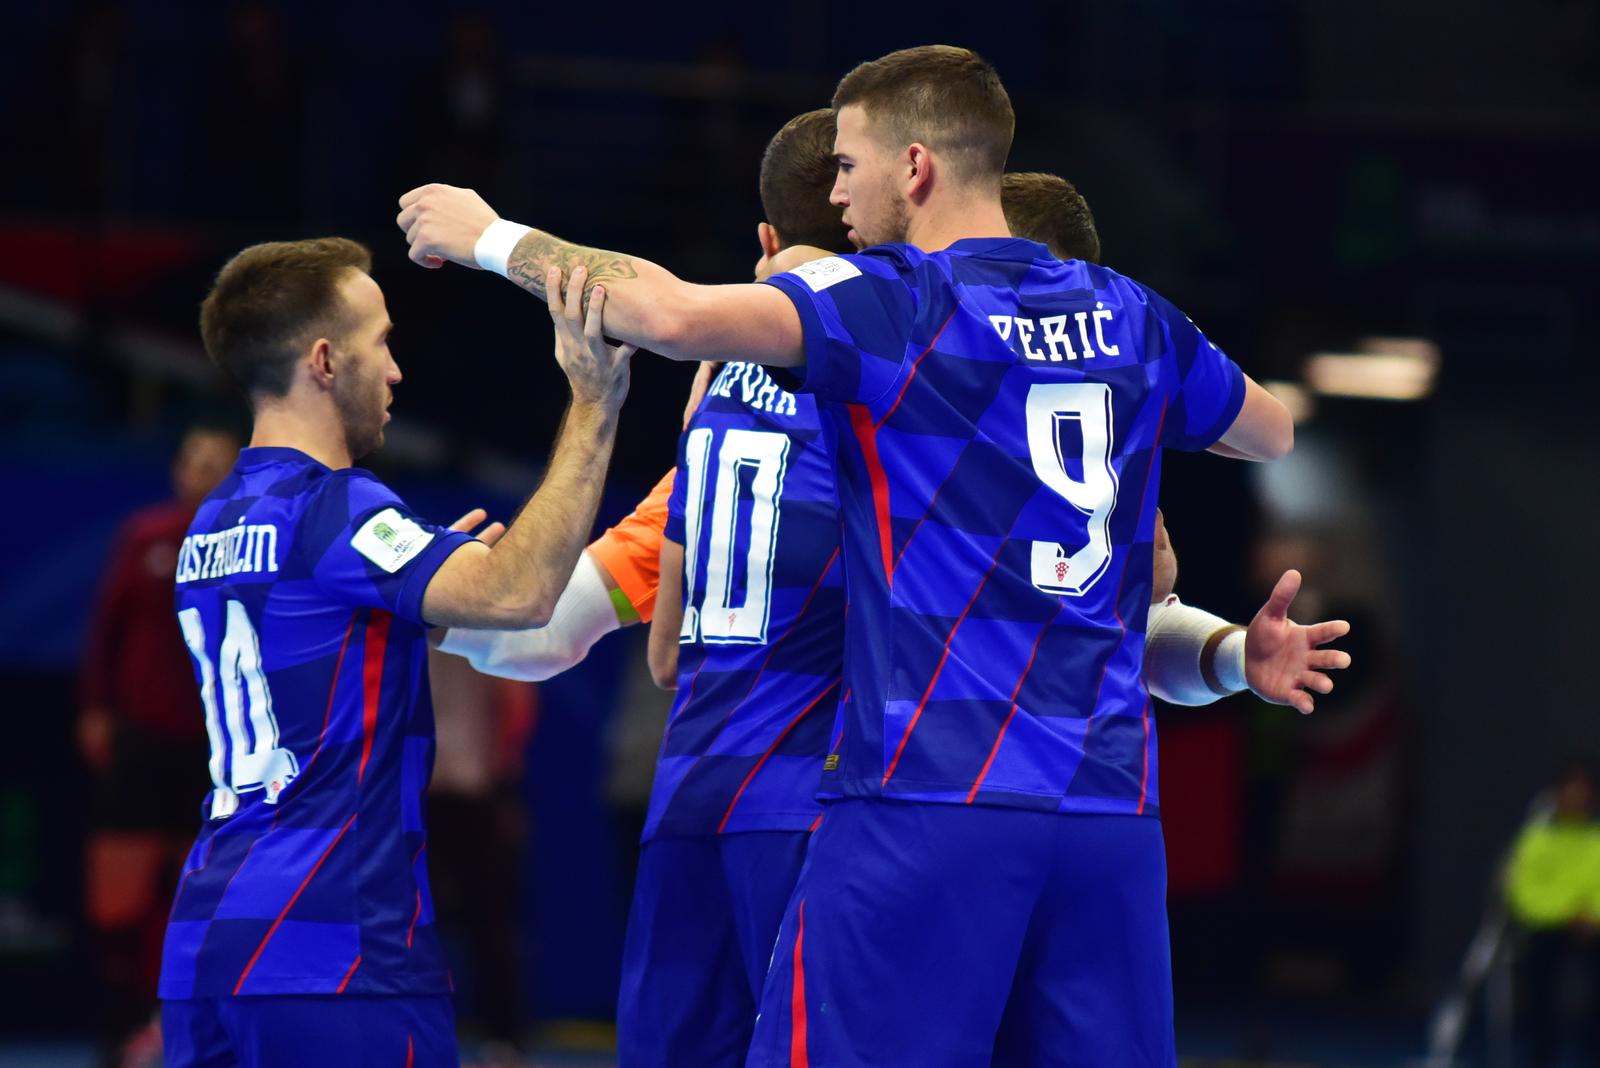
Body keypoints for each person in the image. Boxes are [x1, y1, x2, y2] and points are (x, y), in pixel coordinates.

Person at [409, 84, 1346, 1064]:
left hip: (864, 797)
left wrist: (488, 236)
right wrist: (1214, 623)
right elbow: (1261, 442)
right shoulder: (1127, 319)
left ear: (912, 170)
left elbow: (662, 328)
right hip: (1083, 806)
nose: (844, 191)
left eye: (852, 165)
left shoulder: (874, 317)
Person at [157, 237, 631, 1068]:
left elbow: (322, 610)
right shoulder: (334, 508)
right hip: (334, 945)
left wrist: (417, 566)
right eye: (381, 341)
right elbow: (517, 594)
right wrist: (593, 405)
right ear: (325, 360)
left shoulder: (214, 520)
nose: (398, 370)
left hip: (207, 947)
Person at [78, 425, 239, 1060]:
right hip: (142, 742)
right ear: (177, 469)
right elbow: (105, 631)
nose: (202, 472)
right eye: (193, 459)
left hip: (214, 750)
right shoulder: (143, 538)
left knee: (197, 901)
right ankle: (117, 1036)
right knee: (117, 901)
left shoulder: (244, 546)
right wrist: (95, 708)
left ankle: (181, 1032)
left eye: (216, 464)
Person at [1506, 759, 1600, 1067]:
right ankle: (1540, 1052)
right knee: (1539, 963)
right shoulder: (1536, 837)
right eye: (1569, 791)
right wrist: (1567, 913)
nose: (1575, 798)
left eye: (1582, 792)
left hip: (1594, 925)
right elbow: (1524, 892)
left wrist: (1592, 915)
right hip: (1549, 926)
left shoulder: (1596, 838)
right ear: (1556, 794)